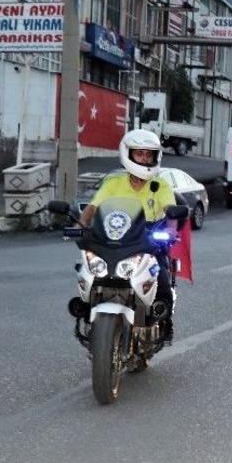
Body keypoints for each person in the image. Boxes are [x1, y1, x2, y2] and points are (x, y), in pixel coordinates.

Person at [81, 129, 179, 341]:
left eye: (149, 154)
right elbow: (92, 208)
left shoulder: (160, 185)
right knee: (89, 270)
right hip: (113, 239)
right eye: (140, 153)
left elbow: (171, 210)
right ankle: (90, 319)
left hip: (147, 239)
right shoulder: (114, 183)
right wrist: (81, 224)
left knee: (161, 275)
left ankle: (163, 319)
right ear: (128, 154)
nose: (145, 158)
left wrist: (171, 230)